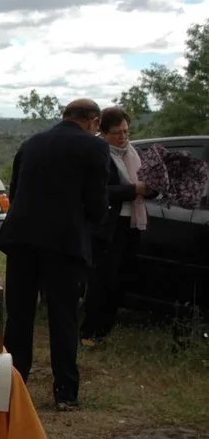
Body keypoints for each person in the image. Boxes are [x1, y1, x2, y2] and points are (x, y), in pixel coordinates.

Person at [0, 98, 110, 411]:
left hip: (21, 237)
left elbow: (15, 190)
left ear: (65, 116)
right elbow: (97, 200)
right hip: (63, 241)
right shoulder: (94, 147)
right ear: (94, 121)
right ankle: (65, 392)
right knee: (63, 316)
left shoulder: (32, 142)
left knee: (19, 314)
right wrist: (93, 224)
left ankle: (14, 384)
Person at [80, 107, 150, 347]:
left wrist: (149, 189)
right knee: (103, 279)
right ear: (104, 132)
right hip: (109, 225)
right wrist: (133, 190)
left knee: (122, 278)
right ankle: (90, 331)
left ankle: (105, 328)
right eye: (117, 133)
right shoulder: (99, 154)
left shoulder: (133, 153)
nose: (123, 137)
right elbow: (99, 191)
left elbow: (143, 182)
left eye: (126, 131)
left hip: (132, 222)